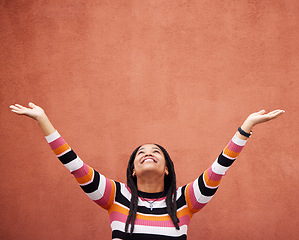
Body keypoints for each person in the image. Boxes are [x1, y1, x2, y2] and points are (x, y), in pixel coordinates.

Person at [10, 103, 284, 240]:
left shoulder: (186, 200)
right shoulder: (113, 195)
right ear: (133, 169)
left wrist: (246, 126)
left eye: (156, 152)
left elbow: (220, 166)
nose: (147, 154)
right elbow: (73, 163)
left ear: (167, 169)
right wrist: (42, 120)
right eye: (140, 152)